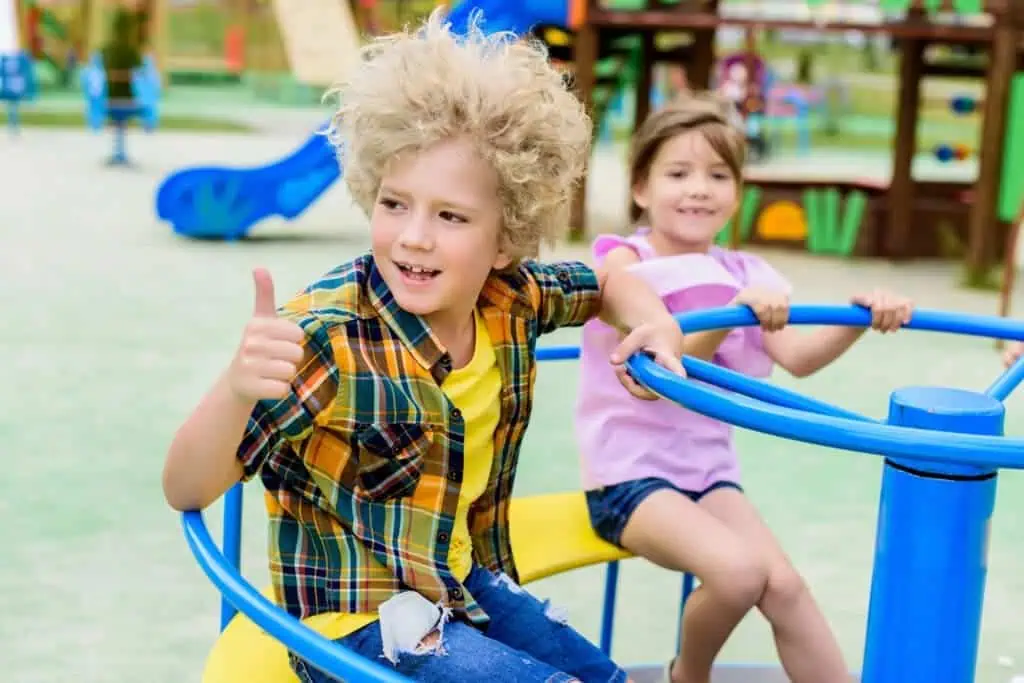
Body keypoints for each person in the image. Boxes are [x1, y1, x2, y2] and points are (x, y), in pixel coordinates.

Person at [162, 10, 687, 683]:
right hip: (350, 622)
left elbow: (609, 280)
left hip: (455, 580)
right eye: (394, 203)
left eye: (450, 215)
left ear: (506, 239)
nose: (413, 235)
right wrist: (237, 389)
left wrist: (656, 322)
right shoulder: (328, 336)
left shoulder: (509, 299)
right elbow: (185, 487)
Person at [574, 93, 915, 683]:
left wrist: (858, 318)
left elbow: (798, 358)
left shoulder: (747, 273)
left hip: (708, 475)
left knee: (785, 587)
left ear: (737, 192)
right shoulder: (625, 267)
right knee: (737, 574)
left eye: (717, 175)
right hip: (627, 477)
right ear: (641, 189)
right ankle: (688, 675)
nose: (698, 189)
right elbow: (665, 368)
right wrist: (734, 313)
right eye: (678, 174)